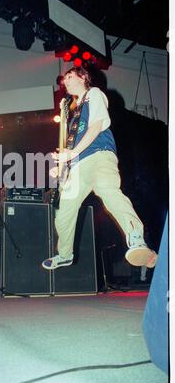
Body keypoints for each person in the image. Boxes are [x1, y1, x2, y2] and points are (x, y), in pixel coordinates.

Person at [42, 66, 158, 270]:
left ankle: (136, 237)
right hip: (77, 166)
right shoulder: (74, 112)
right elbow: (71, 148)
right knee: (64, 213)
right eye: (64, 78)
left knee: (108, 191)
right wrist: (61, 166)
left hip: (99, 156)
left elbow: (97, 125)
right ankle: (65, 254)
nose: (65, 81)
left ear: (83, 77)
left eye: (69, 76)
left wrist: (72, 153)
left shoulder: (94, 94)